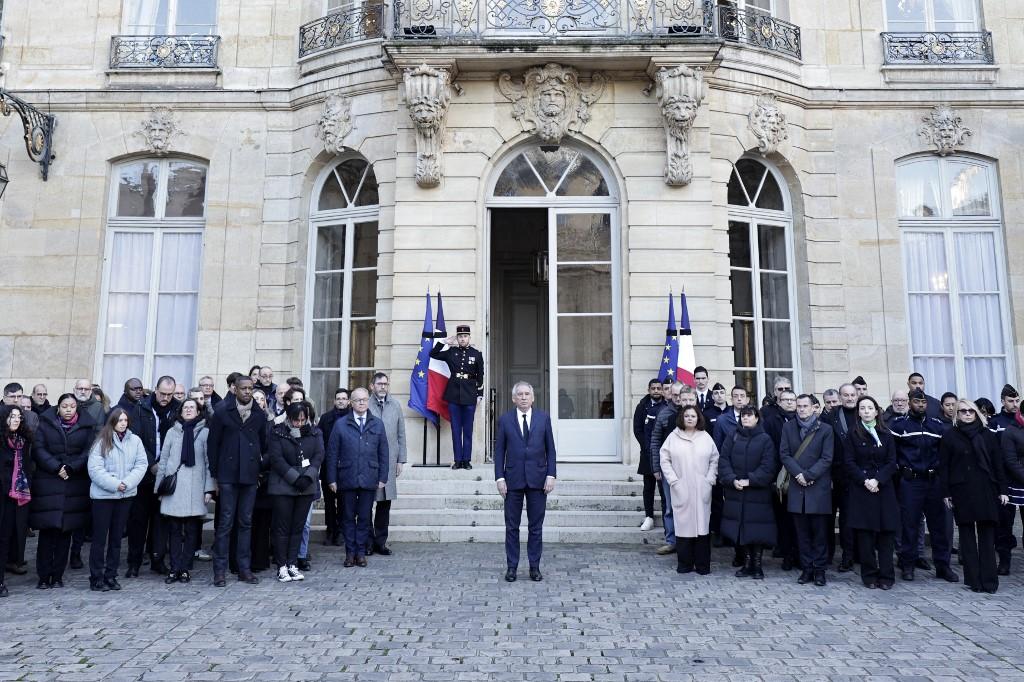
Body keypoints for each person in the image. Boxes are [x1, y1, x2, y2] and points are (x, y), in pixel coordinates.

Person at [890, 388, 959, 583]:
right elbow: (892, 454)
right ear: (910, 402)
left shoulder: (937, 426)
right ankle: (908, 565)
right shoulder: (899, 425)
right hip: (910, 481)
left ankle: (943, 566)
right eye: (916, 402)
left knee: (939, 526)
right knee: (909, 525)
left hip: (933, 481)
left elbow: (944, 455)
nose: (920, 405)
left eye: (923, 402)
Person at [940, 399, 1009, 593]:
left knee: (987, 537)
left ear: (977, 413)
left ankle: (989, 581)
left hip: (986, 489)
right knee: (967, 537)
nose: (967, 414)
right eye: (963, 411)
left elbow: (998, 463)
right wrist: (945, 492)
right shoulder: (950, 436)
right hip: (961, 491)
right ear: (957, 414)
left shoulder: (987, 435)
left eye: (971, 411)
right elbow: (944, 467)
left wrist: (1003, 490)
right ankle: (973, 580)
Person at [207, 376, 269, 587]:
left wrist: (259, 469)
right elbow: (212, 444)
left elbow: (264, 444)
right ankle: (220, 570)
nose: (247, 392)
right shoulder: (223, 412)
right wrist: (214, 474)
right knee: (225, 523)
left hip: (250, 475)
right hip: (227, 475)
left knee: (245, 522)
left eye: (250, 388)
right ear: (235, 389)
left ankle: (244, 568)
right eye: (243, 388)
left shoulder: (259, 414)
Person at [31, 394, 97, 589]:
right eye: (64, 406)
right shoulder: (45, 422)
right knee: (47, 532)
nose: (68, 409)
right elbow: (38, 448)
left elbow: (88, 451)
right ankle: (43, 576)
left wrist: (71, 467)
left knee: (65, 533)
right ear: (58, 407)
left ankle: (58, 575)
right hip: (48, 482)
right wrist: (56, 467)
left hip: (73, 482)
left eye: (72, 406)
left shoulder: (87, 426)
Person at [494, 381, 556, 582]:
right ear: (513, 399)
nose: (523, 397)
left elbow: (551, 450)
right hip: (512, 481)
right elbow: (499, 451)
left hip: (538, 480)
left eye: (527, 394)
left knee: (535, 527)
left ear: (533, 397)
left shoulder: (543, 418)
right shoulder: (505, 420)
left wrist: (551, 475)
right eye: (519, 394)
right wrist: (500, 478)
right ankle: (512, 567)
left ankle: (534, 567)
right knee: (511, 527)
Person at [326, 388, 389, 568]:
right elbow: (332, 453)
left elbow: (383, 452)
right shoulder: (341, 424)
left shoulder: (377, 424)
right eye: (357, 400)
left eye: (364, 400)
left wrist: (383, 476)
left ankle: (360, 552)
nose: (361, 403)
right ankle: (350, 552)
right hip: (347, 477)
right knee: (346, 517)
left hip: (369, 477)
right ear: (350, 403)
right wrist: (331, 479)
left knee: (364, 517)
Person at [86, 408, 148, 592]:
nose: (123, 423)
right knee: (99, 539)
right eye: (119, 420)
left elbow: (141, 464)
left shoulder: (135, 440)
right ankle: (96, 576)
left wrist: (127, 483)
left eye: (125, 420)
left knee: (116, 539)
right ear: (112, 421)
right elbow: (95, 469)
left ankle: (111, 575)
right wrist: (115, 484)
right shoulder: (101, 441)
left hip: (125, 496)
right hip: (104, 497)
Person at [842, 395, 899, 590]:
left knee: (886, 535)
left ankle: (886, 576)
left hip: (883, 489)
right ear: (858, 412)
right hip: (862, 489)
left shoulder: (886, 434)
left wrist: (878, 480)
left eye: (870, 407)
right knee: (865, 537)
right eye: (862, 408)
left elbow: (892, 462)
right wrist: (865, 480)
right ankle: (869, 576)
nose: (866, 411)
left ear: (876, 411)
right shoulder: (852, 434)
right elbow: (848, 462)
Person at [156, 398, 214, 584]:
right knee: (173, 531)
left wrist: (209, 489)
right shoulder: (172, 432)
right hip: (174, 489)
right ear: (180, 411)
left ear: (198, 412)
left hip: (195, 489)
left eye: (192, 408)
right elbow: (163, 461)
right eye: (186, 407)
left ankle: (185, 569)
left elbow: (208, 462)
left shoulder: (205, 433)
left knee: (190, 532)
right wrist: (159, 488)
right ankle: (174, 568)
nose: (189, 410)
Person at [780, 394, 833, 587]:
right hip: (796, 485)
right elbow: (784, 454)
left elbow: (827, 458)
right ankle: (806, 569)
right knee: (801, 533)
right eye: (799, 406)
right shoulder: (788, 427)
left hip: (817, 487)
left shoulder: (825, 429)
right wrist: (799, 474)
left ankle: (820, 570)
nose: (801, 409)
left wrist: (809, 475)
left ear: (813, 408)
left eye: (805, 406)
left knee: (819, 533)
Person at [268, 402, 324, 583]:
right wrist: (294, 477)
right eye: (296, 420)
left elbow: (318, 456)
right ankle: (282, 565)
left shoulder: (315, 432)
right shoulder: (278, 432)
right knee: (282, 527)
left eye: (302, 420)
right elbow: (276, 459)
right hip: (283, 485)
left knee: (298, 527)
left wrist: (308, 477)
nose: (299, 423)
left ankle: (293, 563)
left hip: (306, 485)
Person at [659, 405, 719, 574]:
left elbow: (715, 459)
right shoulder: (673, 437)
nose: (690, 419)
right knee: (684, 526)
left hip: (702, 488)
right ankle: (685, 564)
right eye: (687, 416)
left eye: (693, 416)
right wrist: (674, 481)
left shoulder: (705, 437)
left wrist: (709, 479)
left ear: (698, 418)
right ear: (682, 418)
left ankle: (702, 565)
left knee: (702, 527)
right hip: (681, 488)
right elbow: (664, 460)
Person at [115, 378, 161, 577]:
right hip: (142, 474)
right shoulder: (138, 410)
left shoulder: (173, 410)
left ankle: (157, 560)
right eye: (163, 394)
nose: (139, 391)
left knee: (160, 522)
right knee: (137, 521)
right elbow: (137, 440)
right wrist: (151, 464)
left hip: (163, 474)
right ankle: (134, 562)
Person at [430, 325, 485, 469]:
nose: (462, 339)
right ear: (457, 338)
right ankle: (457, 460)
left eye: (465, 336)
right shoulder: (451, 352)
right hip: (453, 395)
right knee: (455, 429)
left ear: (469, 337)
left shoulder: (477, 354)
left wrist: (479, 394)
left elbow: (481, 376)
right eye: (460, 337)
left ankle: (466, 460)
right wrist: (444, 342)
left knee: (467, 429)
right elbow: (432, 354)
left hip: (470, 395)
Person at [367, 373, 406, 556]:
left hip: (389, 462)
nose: (383, 387)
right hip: (369, 462)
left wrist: (401, 460)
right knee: (367, 504)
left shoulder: (396, 405)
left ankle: (380, 542)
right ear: (372, 386)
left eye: (385, 384)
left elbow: (401, 434)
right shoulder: (365, 404)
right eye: (379, 384)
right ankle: (367, 542)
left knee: (384, 504)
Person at [823, 383, 859, 571]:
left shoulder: (863, 413)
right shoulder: (831, 417)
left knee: (847, 518)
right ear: (840, 397)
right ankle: (827, 555)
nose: (850, 398)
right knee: (828, 517)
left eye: (853, 394)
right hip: (833, 473)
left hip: (855, 476)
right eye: (846, 395)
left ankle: (849, 556)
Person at [0, 405, 33, 598]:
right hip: (1, 493)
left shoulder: (23, 441)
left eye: (19, 417)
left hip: (14, 496)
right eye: (12, 416)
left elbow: (27, 468)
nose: (16, 420)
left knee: (5, 538)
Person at [763, 389, 798, 570]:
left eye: (793, 400)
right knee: (783, 517)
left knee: (797, 519)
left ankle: (798, 553)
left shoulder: (802, 420)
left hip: (800, 475)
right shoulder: (771, 421)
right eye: (786, 400)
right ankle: (786, 554)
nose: (790, 403)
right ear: (779, 401)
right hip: (780, 476)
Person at [649, 383, 684, 555]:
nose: (677, 398)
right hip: (668, 469)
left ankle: (688, 540)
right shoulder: (664, 414)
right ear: (670, 394)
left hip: (688, 469)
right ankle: (671, 541)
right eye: (675, 394)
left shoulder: (692, 415)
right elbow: (655, 442)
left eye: (680, 395)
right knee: (669, 507)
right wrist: (656, 467)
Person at [318, 388, 350, 547]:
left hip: (346, 468)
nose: (341, 401)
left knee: (344, 502)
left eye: (344, 398)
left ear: (348, 401)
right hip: (328, 466)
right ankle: (330, 530)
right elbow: (320, 442)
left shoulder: (352, 418)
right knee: (329, 503)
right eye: (338, 398)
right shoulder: (325, 419)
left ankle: (342, 532)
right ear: (334, 401)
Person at [632, 378, 663, 532]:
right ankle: (649, 517)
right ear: (648, 389)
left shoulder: (667, 405)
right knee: (648, 487)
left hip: (663, 454)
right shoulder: (642, 406)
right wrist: (646, 446)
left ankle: (667, 518)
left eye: (659, 388)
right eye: (653, 388)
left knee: (663, 488)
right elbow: (637, 429)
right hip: (647, 453)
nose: (656, 391)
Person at [1000, 410, 1024, 575]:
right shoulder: (1010, 431)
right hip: (1012, 484)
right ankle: (1004, 561)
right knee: (1005, 526)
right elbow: (1010, 461)